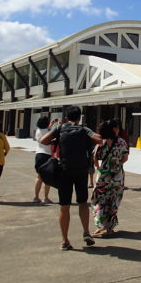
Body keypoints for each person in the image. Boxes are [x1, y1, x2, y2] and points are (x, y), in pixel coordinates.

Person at [40, 106, 103, 251]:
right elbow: (99, 140)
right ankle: (86, 232)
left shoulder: (60, 128)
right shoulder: (83, 129)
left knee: (65, 206)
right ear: (79, 117)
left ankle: (65, 240)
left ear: (66, 117)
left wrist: (55, 141)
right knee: (82, 203)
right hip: (81, 171)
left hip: (64, 170)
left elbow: (43, 140)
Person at [91, 119, 129, 237]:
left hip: (103, 176)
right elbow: (125, 158)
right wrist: (117, 165)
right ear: (113, 129)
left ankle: (101, 225)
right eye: (117, 127)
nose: (119, 129)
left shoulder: (101, 142)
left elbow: (95, 156)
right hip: (117, 176)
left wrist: (99, 167)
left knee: (98, 200)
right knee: (114, 201)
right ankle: (109, 228)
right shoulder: (121, 142)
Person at [33, 116, 54, 204]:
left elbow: (47, 130)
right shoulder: (48, 131)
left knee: (39, 177)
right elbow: (51, 136)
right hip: (47, 154)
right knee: (48, 177)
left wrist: (52, 124)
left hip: (38, 154)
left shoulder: (38, 130)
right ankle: (46, 197)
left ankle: (36, 197)